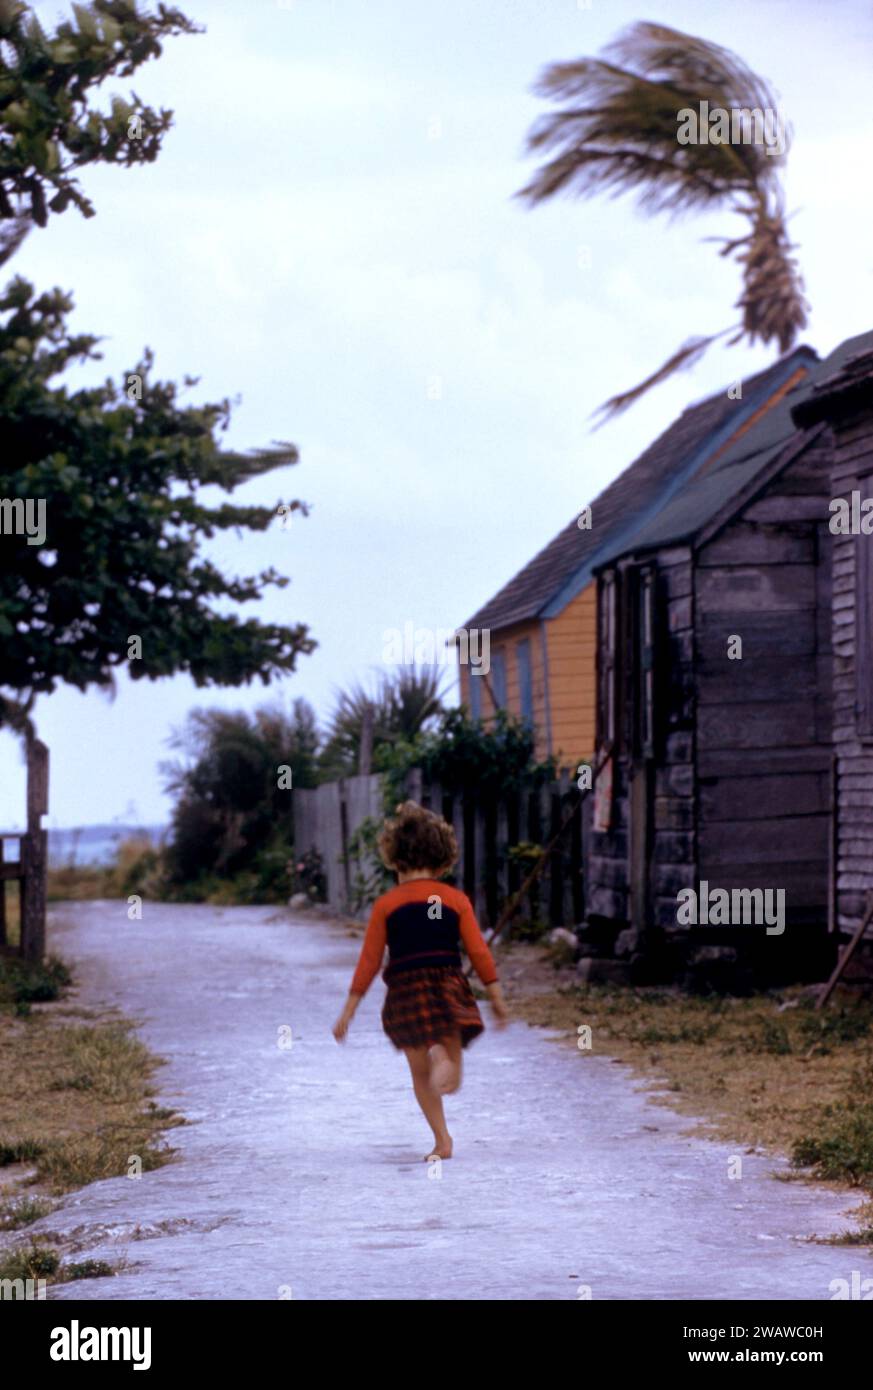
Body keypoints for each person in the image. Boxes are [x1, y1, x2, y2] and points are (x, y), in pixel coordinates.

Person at [333, 800, 509, 1160]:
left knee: (420, 1075)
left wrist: (348, 1012)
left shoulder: (387, 904)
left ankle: (442, 1139)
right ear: (443, 858)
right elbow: (478, 953)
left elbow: (368, 963)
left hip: (406, 991)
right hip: (447, 987)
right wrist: (497, 998)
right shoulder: (455, 900)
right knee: (450, 1079)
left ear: (395, 858)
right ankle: (440, 1052)